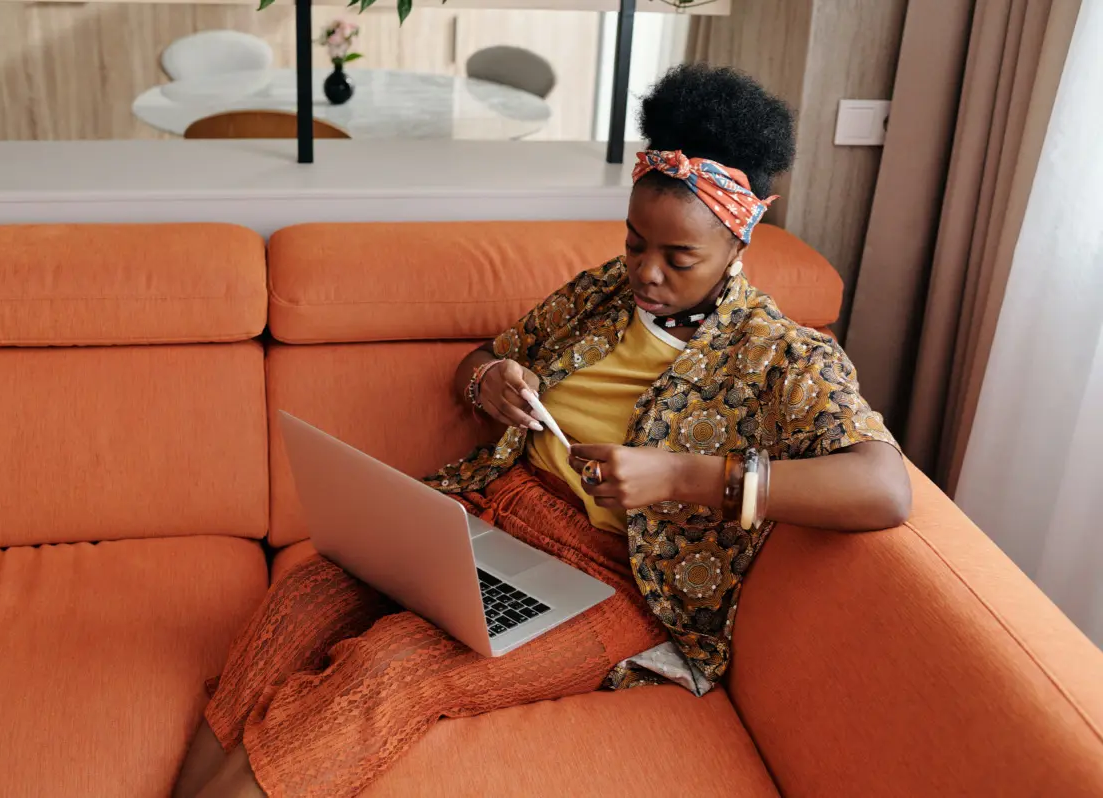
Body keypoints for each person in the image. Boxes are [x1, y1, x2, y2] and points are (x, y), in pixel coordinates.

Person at [173, 64, 911, 798]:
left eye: (679, 257)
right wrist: (489, 380)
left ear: (739, 245)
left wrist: (680, 475)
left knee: (390, 668)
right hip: (484, 515)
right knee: (304, 599)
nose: (647, 273)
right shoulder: (602, 293)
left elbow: (883, 488)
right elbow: (482, 360)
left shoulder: (781, 354)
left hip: (611, 580)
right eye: (636, 244)